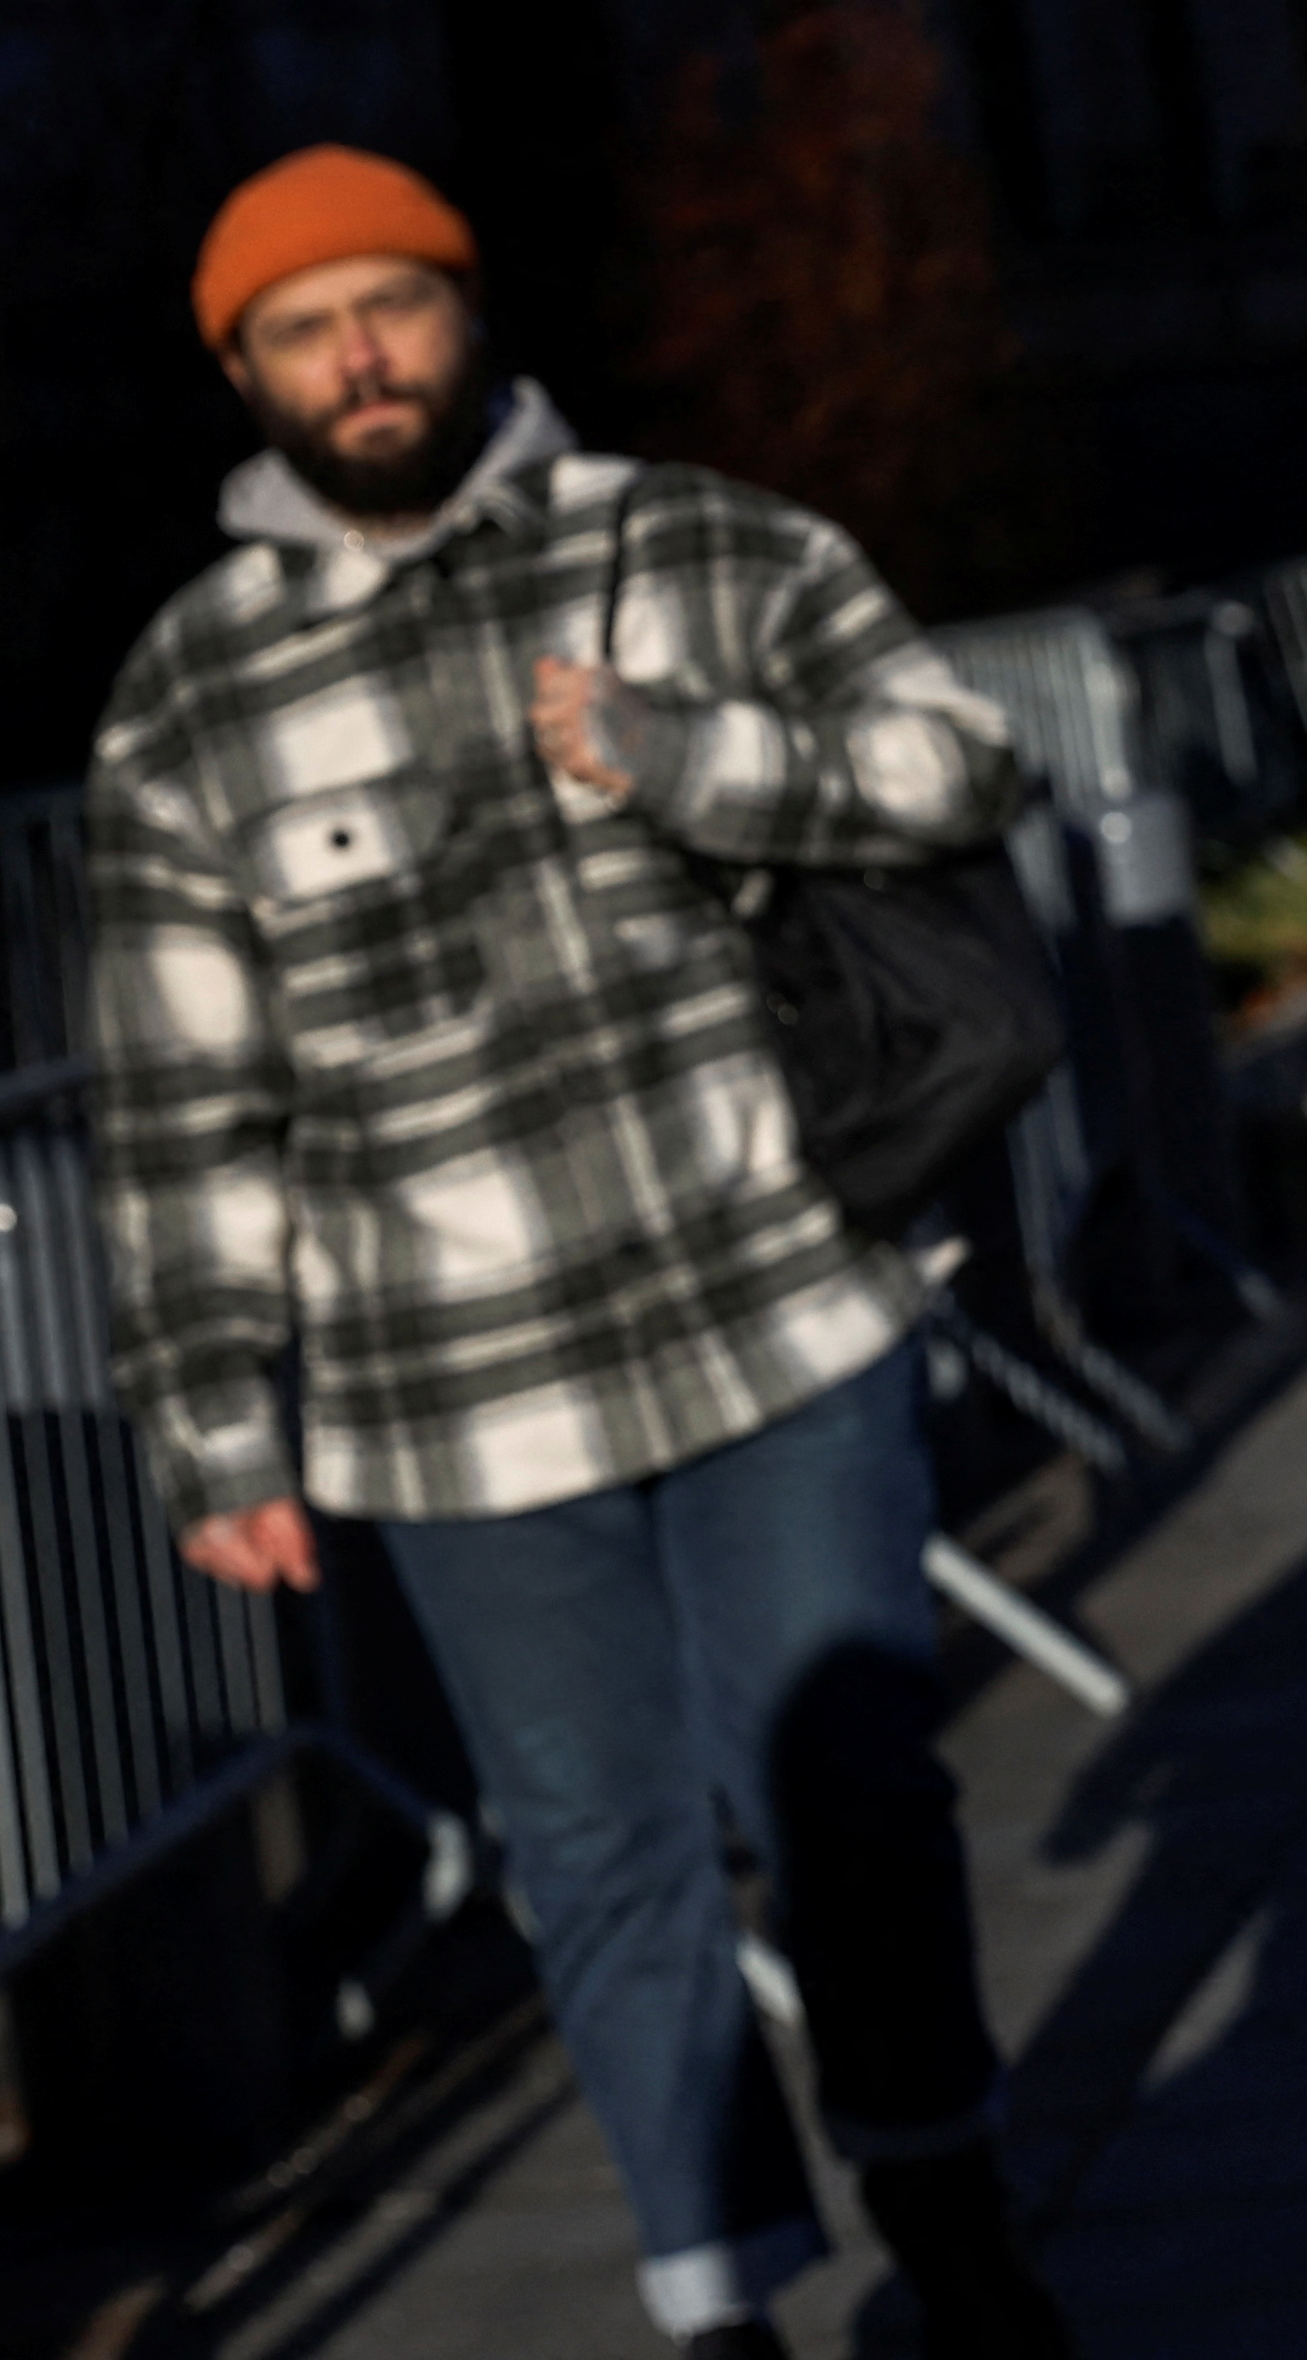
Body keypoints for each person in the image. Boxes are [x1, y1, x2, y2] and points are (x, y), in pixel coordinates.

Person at [84, 146, 1073, 2359]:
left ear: (464, 309)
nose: (358, 357)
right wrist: (208, 1416)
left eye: (391, 305)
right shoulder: (190, 699)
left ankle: (945, 2206)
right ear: (242, 374)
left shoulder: (692, 544)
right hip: (454, 1393)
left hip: (772, 1300)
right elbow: (178, 1098)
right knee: (598, 1850)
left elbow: (966, 759)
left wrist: (691, 756)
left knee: (851, 1782)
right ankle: (716, 2294)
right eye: (300, 328)